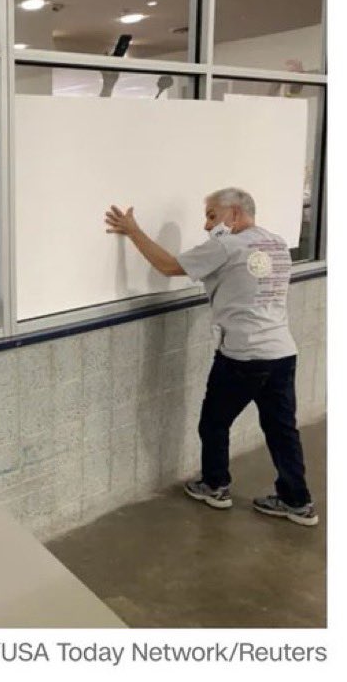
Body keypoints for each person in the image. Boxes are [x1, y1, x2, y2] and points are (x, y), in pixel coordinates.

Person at [104, 187, 318, 526]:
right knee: (282, 429)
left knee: (214, 423)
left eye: (212, 216)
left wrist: (132, 230)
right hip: (281, 351)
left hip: (243, 355)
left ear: (234, 214)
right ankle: (298, 502)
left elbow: (167, 266)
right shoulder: (277, 243)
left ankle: (215, 486)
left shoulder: (226, 245)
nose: (206, 226)